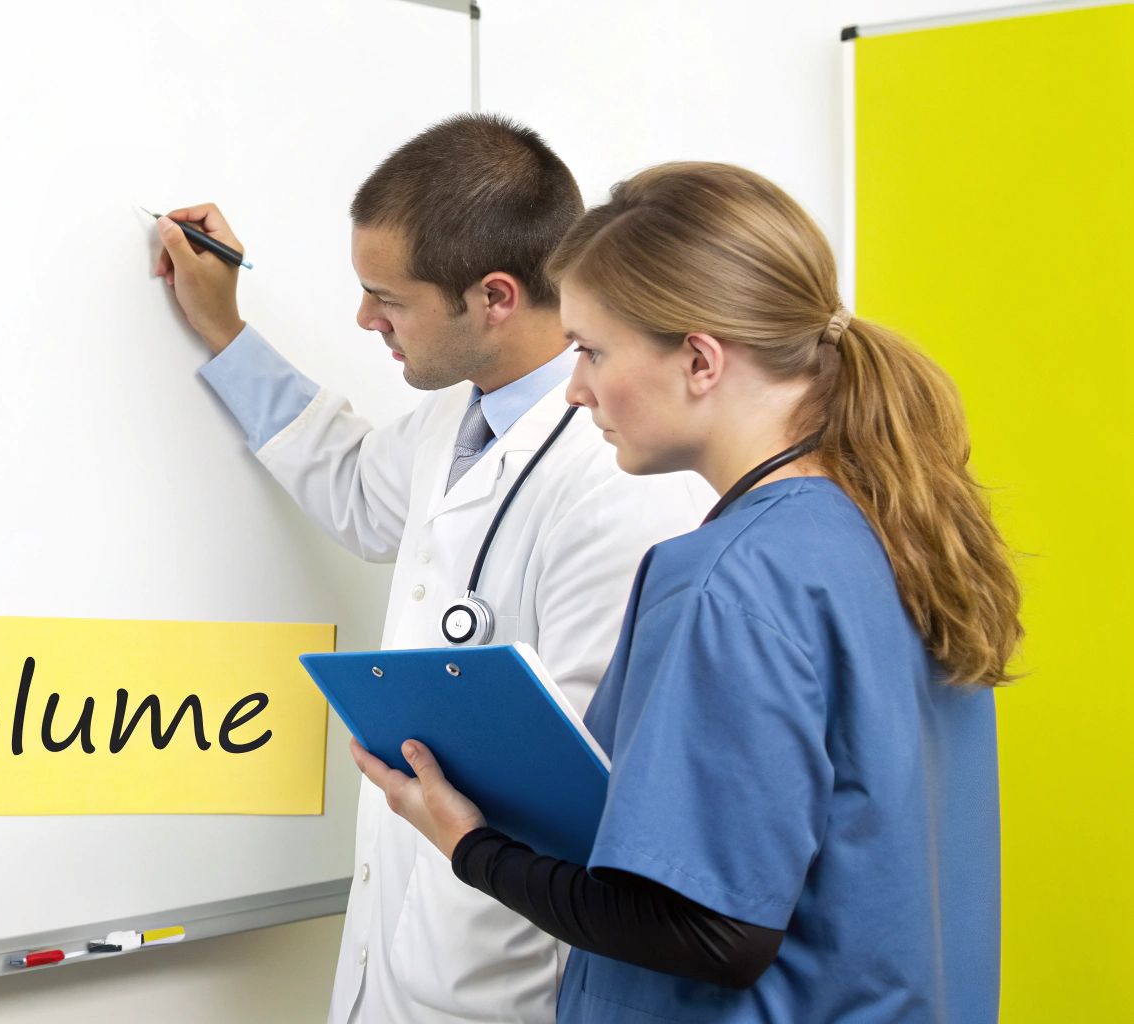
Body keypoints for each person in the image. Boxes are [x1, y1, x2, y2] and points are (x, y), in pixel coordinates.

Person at [353, 161, 1019, 1022]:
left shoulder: (726, 579)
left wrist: (469, 845)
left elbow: (711, 933)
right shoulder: (892, 526)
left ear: (700, 360)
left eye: (592, 351)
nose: (577, 388)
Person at [153, 115, 712, 1022]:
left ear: (494, 297)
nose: (365, 319)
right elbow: (351, 481)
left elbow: (580, 786)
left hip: (504, 986)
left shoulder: (620, 477)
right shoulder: (453, 423)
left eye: (388, 298)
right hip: (404, 960)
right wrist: (224, 329)